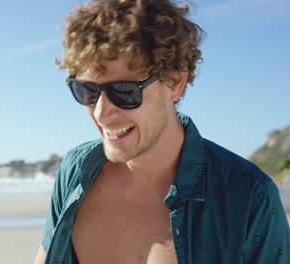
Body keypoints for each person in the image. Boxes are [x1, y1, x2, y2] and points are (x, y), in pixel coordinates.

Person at [34, 0, 290, 263]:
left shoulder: (248, 195)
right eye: (86, 90)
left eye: (124, 92)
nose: (100, 112)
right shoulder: (76, 172)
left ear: (174, 83)